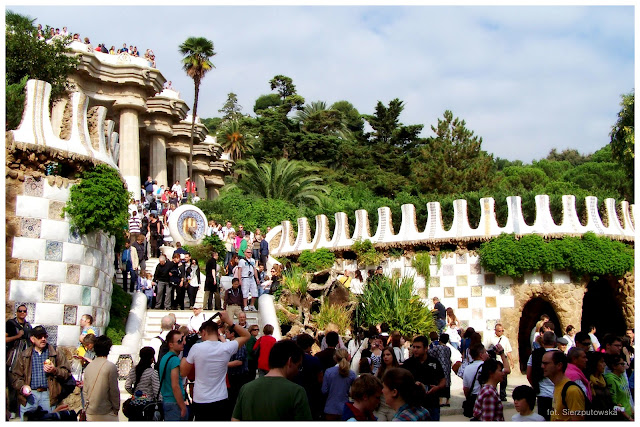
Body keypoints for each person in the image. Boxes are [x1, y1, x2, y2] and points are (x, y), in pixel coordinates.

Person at [180, 315, 250, 421]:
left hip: (200, 398)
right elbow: (246, 336)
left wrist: (186, 352)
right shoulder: (226, 347)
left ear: (204, 332)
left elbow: (183, 372)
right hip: (221, 397)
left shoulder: (196, 348)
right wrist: (230, 322)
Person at [232, 339, 312, 421]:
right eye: (299, 367)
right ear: (290, 361)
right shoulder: (297, 392)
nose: (298, 371)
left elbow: (235, 419)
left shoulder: (246, 388)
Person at [11, 325, 72, 420]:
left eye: (45, 336)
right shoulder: (24, 355)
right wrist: (22, 386)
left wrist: (54, 370)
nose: (43, 339)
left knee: (48, 421)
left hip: (48, 395)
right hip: (29, 397)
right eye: (39, 337)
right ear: (32, 339)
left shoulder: (55, 352)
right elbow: (15, 376)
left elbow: (67, 372)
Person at [402, 335, 445, 420]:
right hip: (413, 406)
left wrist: (438, 387)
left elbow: (443, 379)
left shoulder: (434, 362)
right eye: (413, 347)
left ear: (426, 348)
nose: (415, 349)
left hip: (432, 404)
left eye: (418, 347)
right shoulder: (408, 364)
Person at [82, 336, 120, 421]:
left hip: (90, 412)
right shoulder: (110, 367)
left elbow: (85, 391)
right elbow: (114, 390)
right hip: (106, 411)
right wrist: (116, 408)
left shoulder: (89, 366)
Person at [542, 350, 586, 421]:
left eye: (546, 363)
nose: (542, 366)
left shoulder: (572, 390)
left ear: (559, 365)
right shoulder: (558, 386)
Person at [6, 304, 33, 418]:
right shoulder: (11, 324)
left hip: (25, 358)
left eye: (24, 311)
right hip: (13, 358)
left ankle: (24, 408)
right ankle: (12, 410)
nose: (22, 313)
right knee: (12, 384)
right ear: (16, 312)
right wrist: (17, 336)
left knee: (25, 382)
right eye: (20, 311)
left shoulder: (28, 326)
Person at [526, 331, 558, 420]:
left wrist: (535, 386)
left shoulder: (535, 355)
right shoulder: (560, 355)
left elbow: (529, 374)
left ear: (542, 342)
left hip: (542, 394)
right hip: (558, 393)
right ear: (555, 342)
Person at [158, 330, 187, 421]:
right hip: (174, 402)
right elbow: (175, 385)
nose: (182, 343)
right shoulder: (174, 360)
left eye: (182, 340)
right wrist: (182, 406)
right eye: (179, 341)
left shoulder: (165, 357)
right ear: (171, 344)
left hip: (167, 400)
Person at [322, 349, 356, 420]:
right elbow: (354, 392)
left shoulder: (328, 372)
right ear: (348, 358)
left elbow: (324, 391)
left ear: (335, 358)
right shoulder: (351, 374)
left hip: (330, 408)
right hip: (345, 408)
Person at [484, 323, 513, 401]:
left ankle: (503, 395)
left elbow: (508, 351)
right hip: (494, 361)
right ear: (495, 331)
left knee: (504, 379)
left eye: (502, 331)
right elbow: (485, 348)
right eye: (499, 331)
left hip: (502, 361)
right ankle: (495, 394)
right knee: (494, 378)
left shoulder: (505, 339)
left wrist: (511, 361)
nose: (501, 332)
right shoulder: (490, 338)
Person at [226, 324, 249, 412]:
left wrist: (224, 364)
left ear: (232, 334)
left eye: (227, 332)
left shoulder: (239, 345)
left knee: (236, 398)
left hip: (239, 376)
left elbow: (239, 362)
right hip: (232, 375)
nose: (226, 333)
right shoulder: (232, 344)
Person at [604, 355, 634, 420]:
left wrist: (632, 412)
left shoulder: (622, 377)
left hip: (629, 413)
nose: (624, 366)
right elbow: (614, 402)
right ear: (614, 366)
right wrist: (628, 418)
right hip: (621, 417)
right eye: (622, 364)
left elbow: (627, 397)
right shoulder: (610, 379)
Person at [373, 347, 399, 421]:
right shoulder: (380, 370)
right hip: (381, 406)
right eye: (384, 355)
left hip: (393, 407)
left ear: (393, 356)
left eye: (388, 355)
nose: (385, 357)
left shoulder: (398, 371)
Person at [430, 333, 452, 407]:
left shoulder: (437, 347)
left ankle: (440, 400)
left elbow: (431, 353)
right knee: (447, 383)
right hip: (447, 366)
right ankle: (447, 401)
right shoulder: (448, 348)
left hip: (440, 367)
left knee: (440, 382)